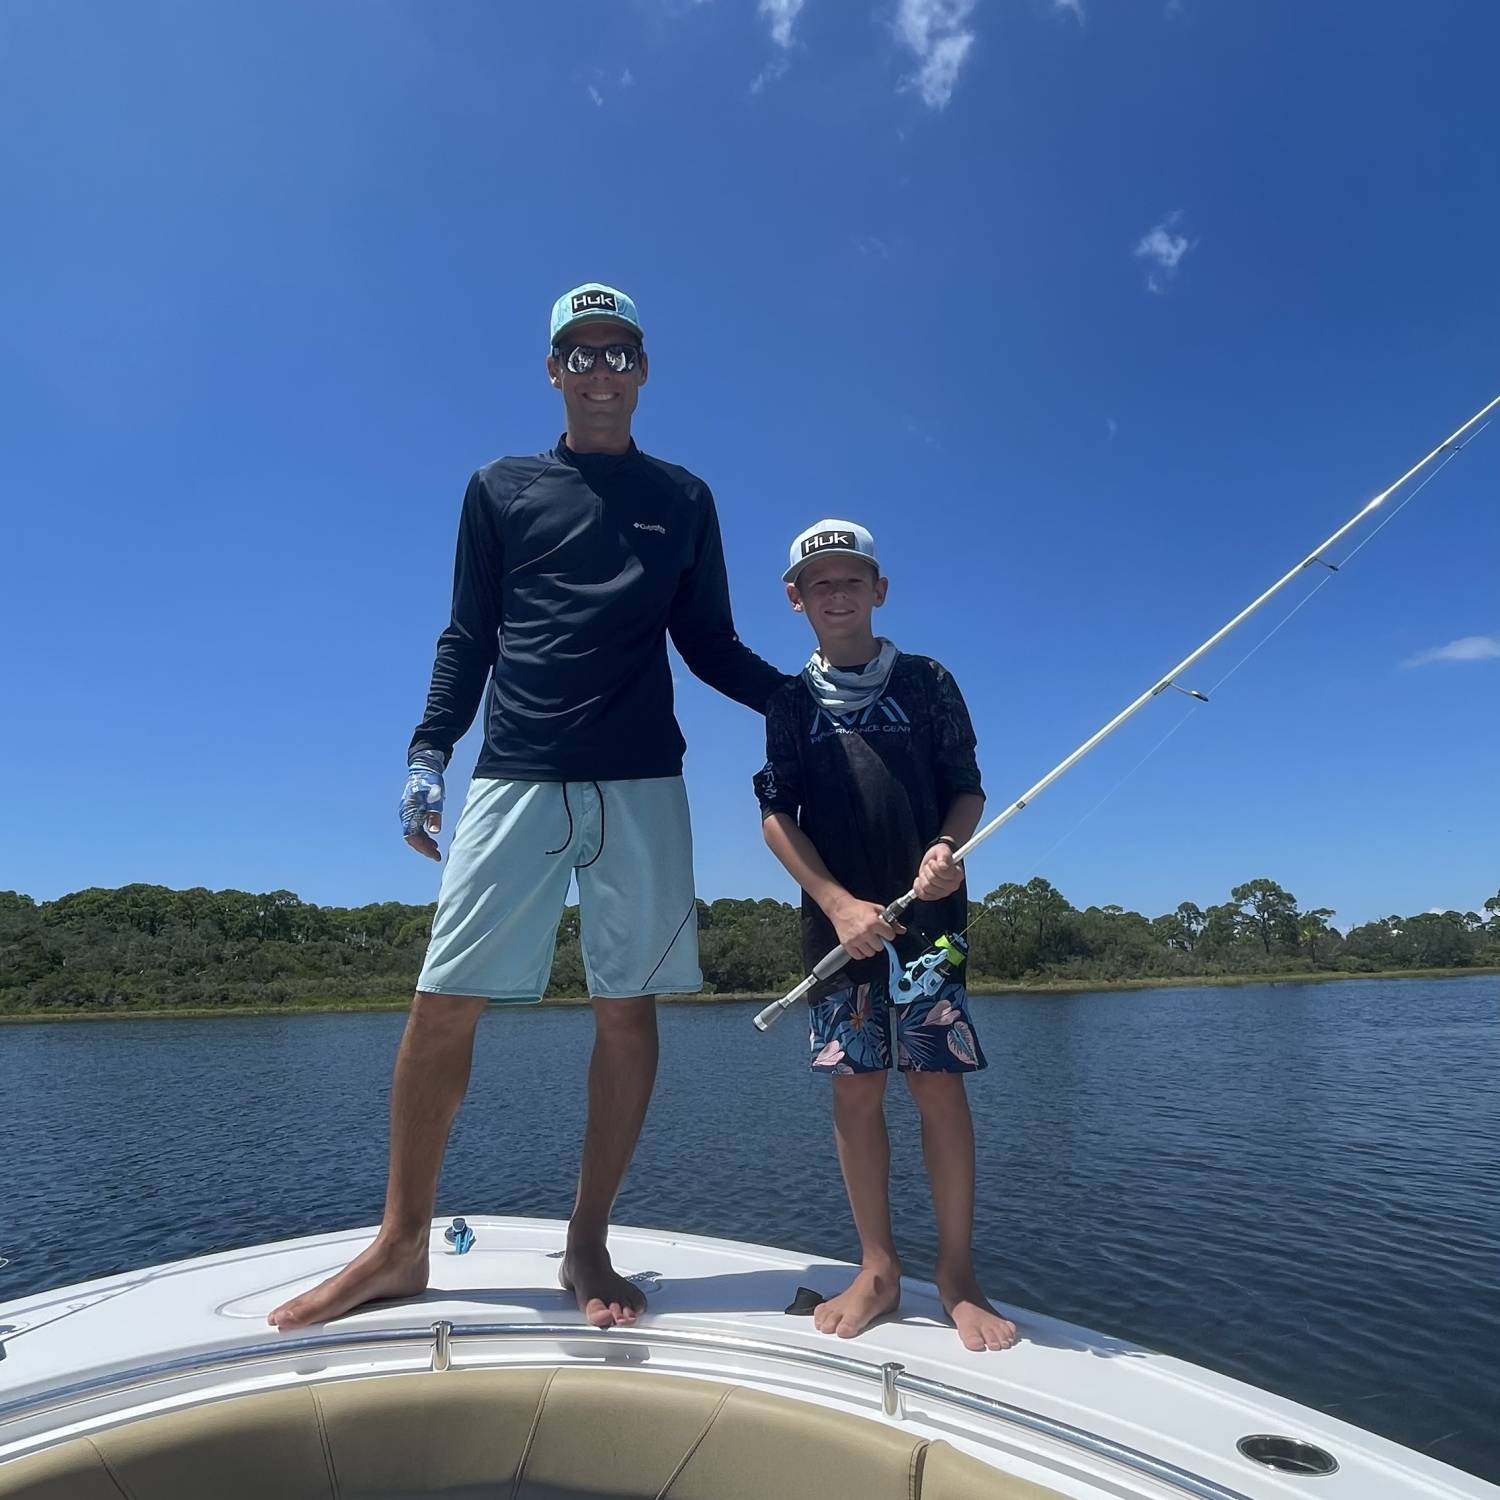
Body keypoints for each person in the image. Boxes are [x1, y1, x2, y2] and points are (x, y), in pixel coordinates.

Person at [270, 283, 785, 1332]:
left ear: (644, 369)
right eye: (579, 355)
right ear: (552, 372)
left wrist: (799, 698)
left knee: (625, 1007)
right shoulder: (499, 486)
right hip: (513, 771)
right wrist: (428, 753)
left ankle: (587, 1239)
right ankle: (400, 1244)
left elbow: (710, 642)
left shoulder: (684, 497)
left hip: (642, 776)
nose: (600, 372)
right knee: (442, 998)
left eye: (618, 352)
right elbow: (467, 633)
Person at [753, 520, 1017, 1352]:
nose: (837, 594)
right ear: (796, 599)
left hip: (929, 923)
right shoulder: (790, 703)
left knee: (937, 1086)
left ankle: (957, 1272)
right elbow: (774, 815)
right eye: (819, 583)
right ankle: (877, 1268)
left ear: (880, 590)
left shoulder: (931, 681)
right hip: (838, 935)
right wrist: (835, 904)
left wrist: (948, 849)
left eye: (852, 579)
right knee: (855, 1090)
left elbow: (967, 790)